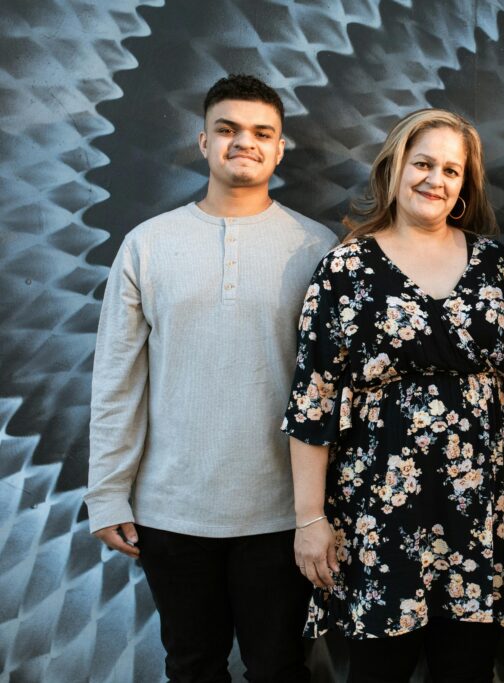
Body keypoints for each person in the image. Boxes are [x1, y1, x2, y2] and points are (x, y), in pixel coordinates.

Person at [86, 74, 338, 681]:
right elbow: (118, 380)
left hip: (282, 514)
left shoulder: (318, 247)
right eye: (226, 129)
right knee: (192, 665)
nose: (242, 143)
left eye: (261, 133)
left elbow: (335, 390)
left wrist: (326, 508)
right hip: (173, 511)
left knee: (279, 668)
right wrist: (107, 492)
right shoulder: (148, 245)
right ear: (203, 142)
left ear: (280, 149)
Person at [282, 108, 504, 683]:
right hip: (377, 514)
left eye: (451, 170)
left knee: (466, 671)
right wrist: (310, 519)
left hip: (474, 515)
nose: (435, 180)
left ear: (465, 186)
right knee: (378, 672)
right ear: (394, 168)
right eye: (423, 164)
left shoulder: (496, 265)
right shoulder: (346, 266)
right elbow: (314, 397)